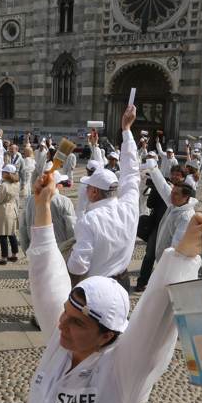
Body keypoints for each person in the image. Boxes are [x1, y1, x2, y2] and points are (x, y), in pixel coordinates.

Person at [25, 172, 202, 403]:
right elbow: (47, 279)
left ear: (106, 336)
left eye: (76, 323)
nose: (61, 324)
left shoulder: (121, 373)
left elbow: (153, 322)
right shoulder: (61, 345)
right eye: (65, 313)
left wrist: (184, 255)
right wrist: (43, 206)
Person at [66, 105, 140, 291]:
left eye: (88, 186)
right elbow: (132, 173)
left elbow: (78, 266)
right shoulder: (129, 206)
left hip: (96, 287)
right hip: (123, 282)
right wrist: (127, 130)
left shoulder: (89, 220)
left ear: (94, 192)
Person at [20, 172, 76, 251]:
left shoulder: (29, 200)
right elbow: (71, 227)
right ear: (56, 185)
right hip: (60, 249)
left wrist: (26, 248)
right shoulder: (64, 201)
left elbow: (23, 227)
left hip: (35, 248)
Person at [0, 164, 21, 264]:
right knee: (12, 233)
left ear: (7, 174)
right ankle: (14, 254)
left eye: (3, 172)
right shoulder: (17, 183)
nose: (2, 173)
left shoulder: (4, 185)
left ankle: (4, 257)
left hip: (4, 210)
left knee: (3, 234)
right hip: (12, 209)